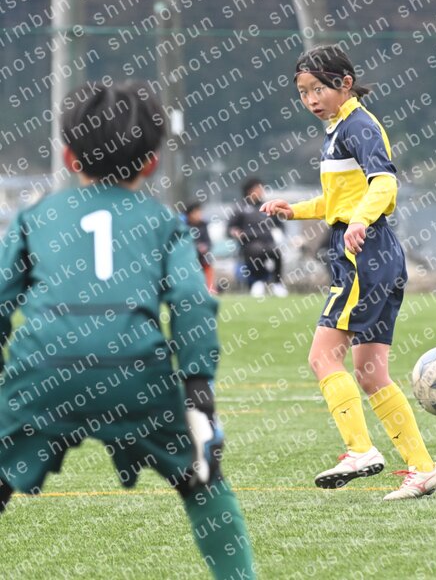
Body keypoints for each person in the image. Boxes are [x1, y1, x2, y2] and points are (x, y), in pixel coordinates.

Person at [0, 82, 255, 577]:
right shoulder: (163, 222)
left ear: (69, 157)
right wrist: (198, 387)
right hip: (134, 370)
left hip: (44, 367)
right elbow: (191, 302)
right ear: (152, 163)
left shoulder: (35, 217)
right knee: (202, 477)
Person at [259, 45, 436, 500]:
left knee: (322, 358)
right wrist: (295, 210)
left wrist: (360, 221)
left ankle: (360, 450)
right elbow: (337, 201)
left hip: (364, 253)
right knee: (370, 374)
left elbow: (385, 182)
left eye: (318, 89)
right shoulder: (338, 129)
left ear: (345, 83)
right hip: (376, 251)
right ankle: (423, 469)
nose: (310, 99)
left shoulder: (358, 126)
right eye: (303, 92)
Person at [228, 178, 288, 298]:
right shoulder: (240, 208)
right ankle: (258, 281)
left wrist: (279, 232)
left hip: (268, 241)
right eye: (258, 189)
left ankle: (277, 283)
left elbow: (280, 224)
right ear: (249, 190)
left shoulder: (267, 207)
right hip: (249, 243)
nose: (261, 192)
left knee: (276, 252)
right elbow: (231, 227)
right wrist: (235, 232)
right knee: (257, 251)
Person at [185, 201, 216, 294]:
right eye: (196, 212)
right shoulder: (183, 226)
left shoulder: (203, 225)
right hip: (189, 255)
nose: (199, 214)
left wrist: (205, 246)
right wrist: (196, 247)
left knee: (207, 259)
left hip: (202, 255)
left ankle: (209, 287)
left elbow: (208, 241)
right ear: (189, 214)